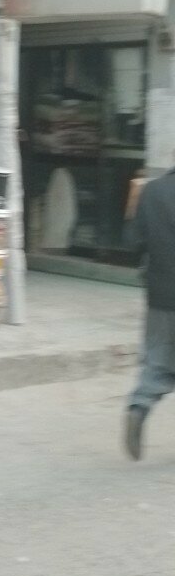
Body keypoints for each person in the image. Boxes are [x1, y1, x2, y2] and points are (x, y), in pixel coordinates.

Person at [125, 167, 175, 460]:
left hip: (160, 294)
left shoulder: (151, 190)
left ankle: (139, 406)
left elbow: (133, 242)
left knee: (157, 359)